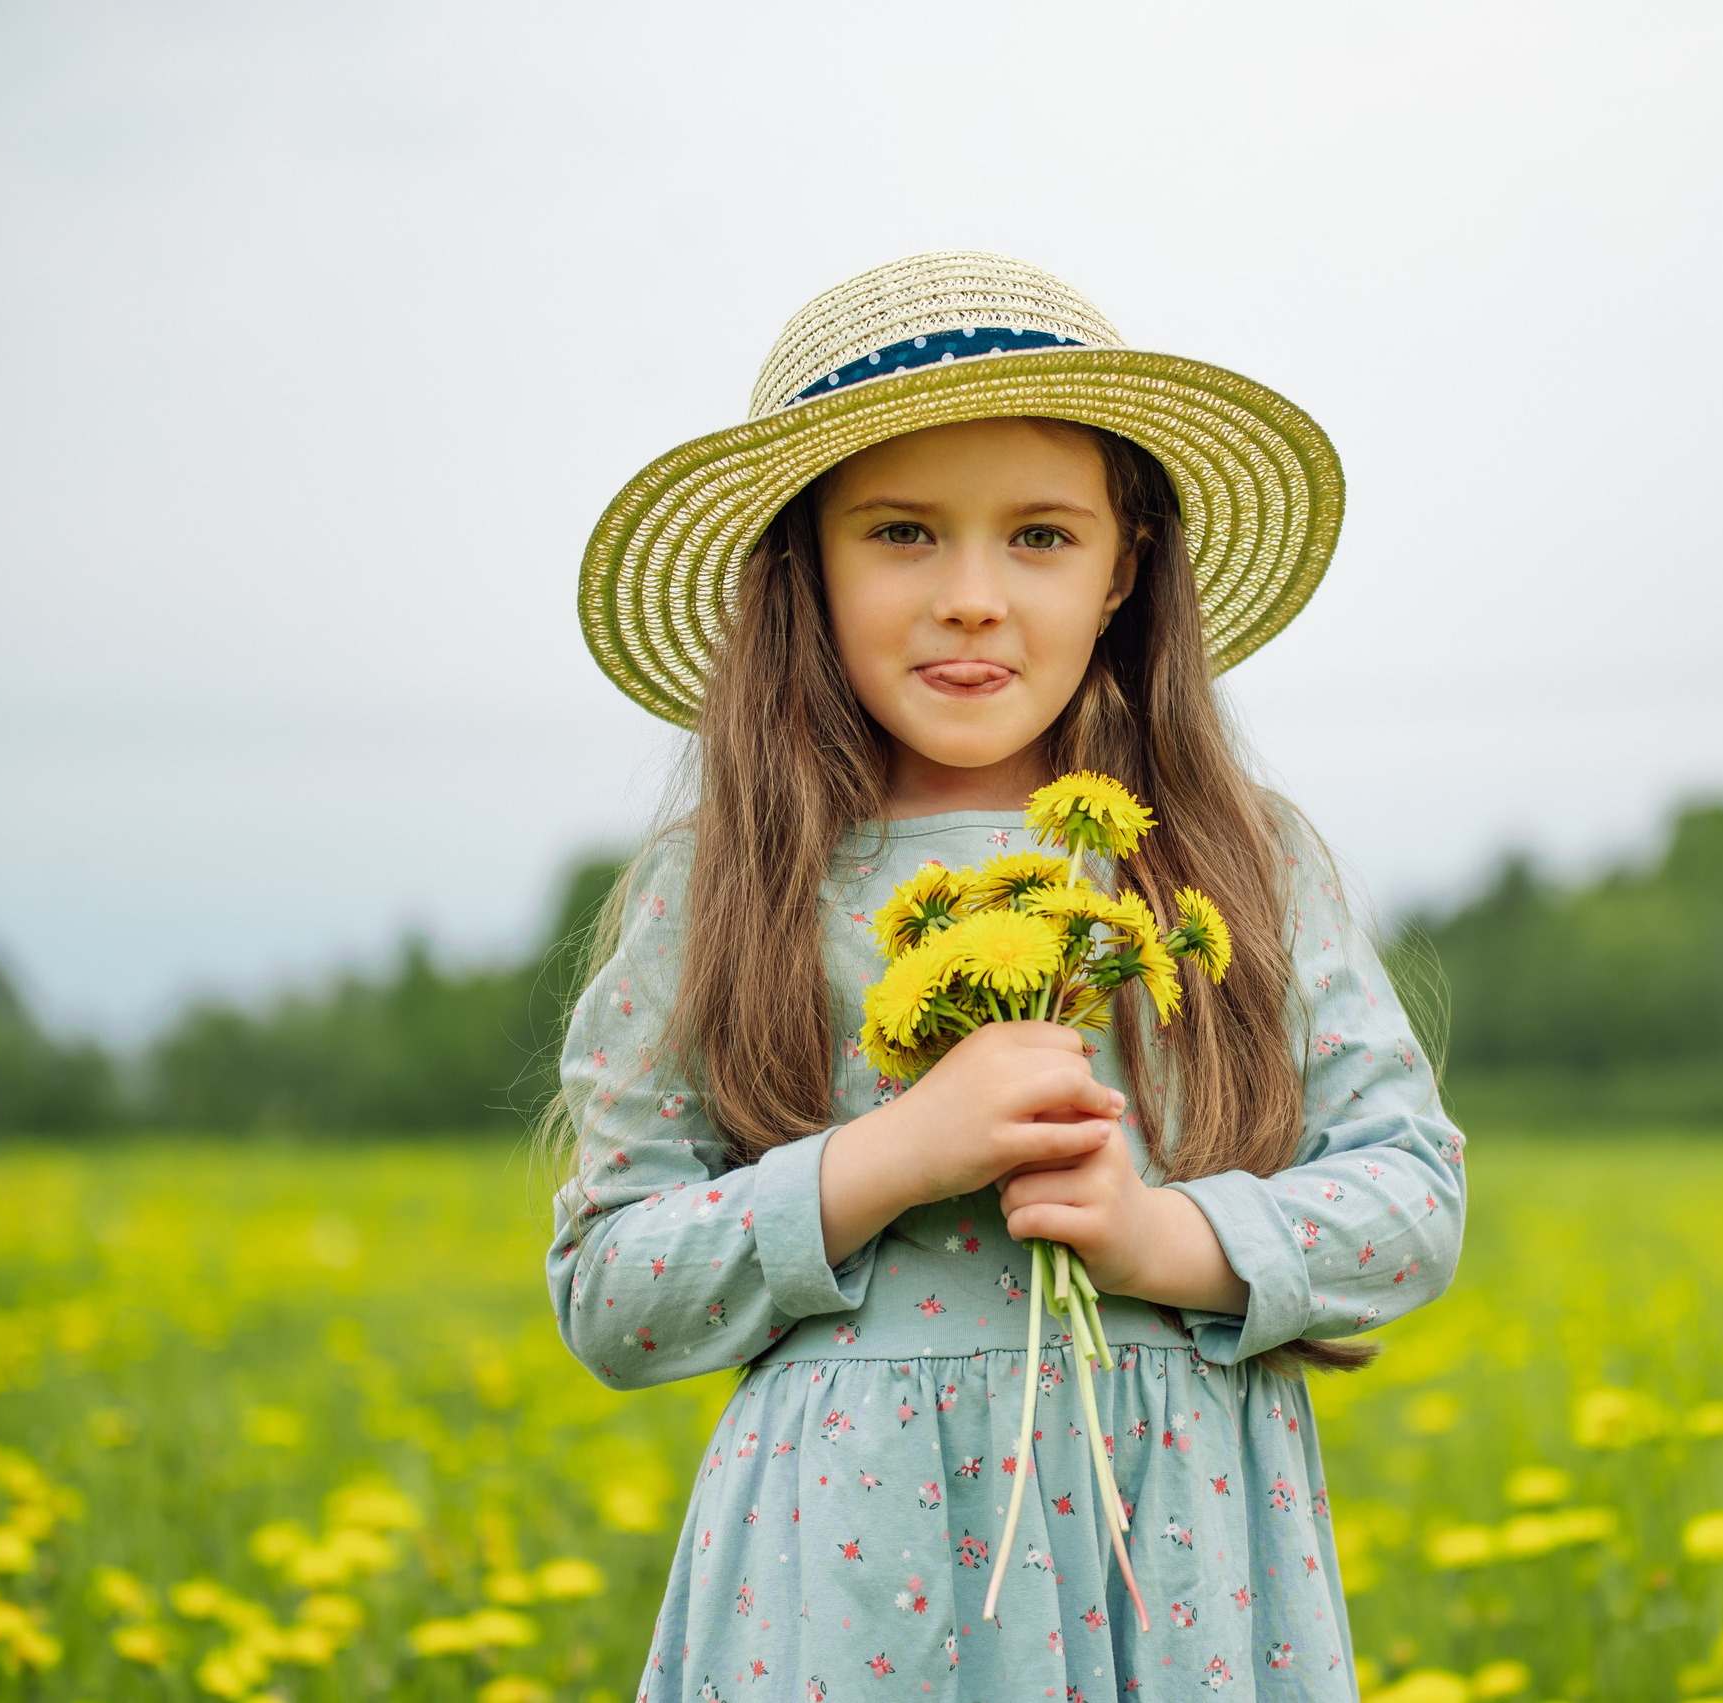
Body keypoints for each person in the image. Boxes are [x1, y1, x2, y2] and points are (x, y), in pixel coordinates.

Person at [546, 251, 1465, 1703]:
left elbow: (1412, 1193)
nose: (972, 598)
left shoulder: (1234, 859)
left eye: (1039, 536)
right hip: (854, 1603)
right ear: (804, 565)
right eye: (902, 532)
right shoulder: (728, 886)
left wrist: (1164, 1243)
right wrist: (886, 1157)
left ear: (1126, 570)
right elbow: (611, 1289)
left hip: (1187, 1580)